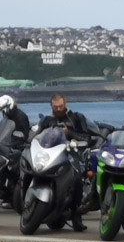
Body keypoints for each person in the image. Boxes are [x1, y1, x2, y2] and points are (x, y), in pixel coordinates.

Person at [36, 93, 93, 231]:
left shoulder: (76, 118)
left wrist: (70, 134)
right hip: (50, 155)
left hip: (71, 155)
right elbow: (36, 136)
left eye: (61, 106)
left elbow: (87, 137)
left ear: (65, 103)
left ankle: (76, 216)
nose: (59, 109)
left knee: (77, 179)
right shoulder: (46, 120)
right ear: (51, 106)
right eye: (56, 107)